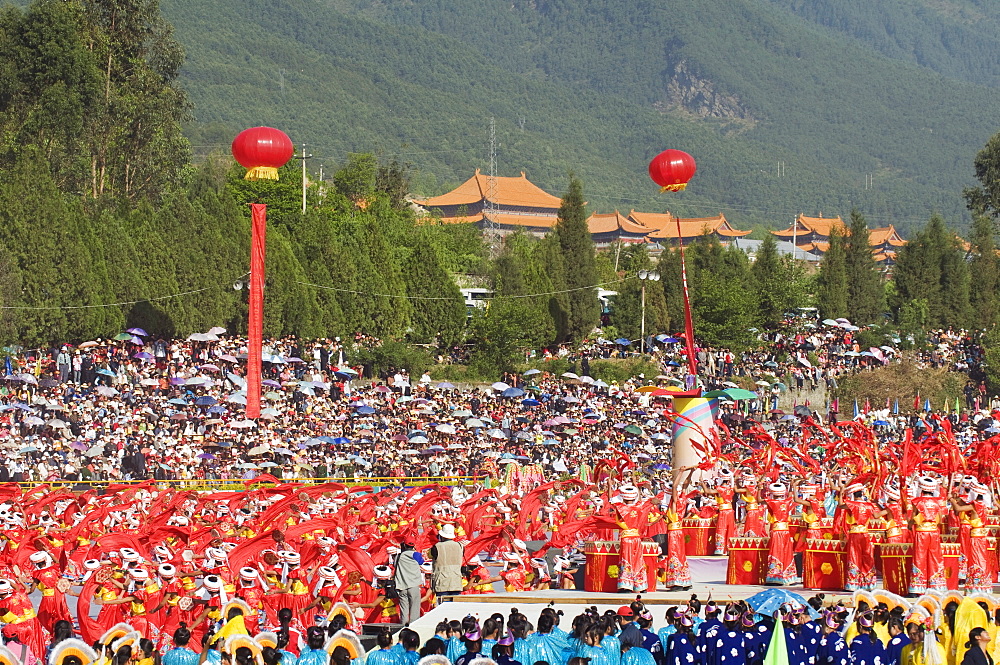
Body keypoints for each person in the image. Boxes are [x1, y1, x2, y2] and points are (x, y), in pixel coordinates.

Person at [392, 543, 424, 626]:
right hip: (413, 585)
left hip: (402, 586)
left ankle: (403, 627)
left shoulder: (398, 556)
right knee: (414, 609)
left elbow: (394, 565)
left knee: (404, 611)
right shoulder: (415, 554)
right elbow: (421, 562)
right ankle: (413, 627)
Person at [430, 525, 463, 601]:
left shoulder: (436, 547)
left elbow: (430, 556)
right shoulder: (460, 546)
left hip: (441, 581)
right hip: (456, 580)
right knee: (454, 607)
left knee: (443, 607)